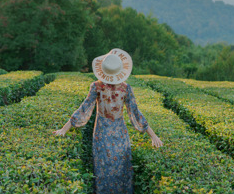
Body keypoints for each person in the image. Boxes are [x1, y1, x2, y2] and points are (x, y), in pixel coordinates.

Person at [53, 48, 163, 193]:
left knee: (119, 168)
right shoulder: (99, 87)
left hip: (115, 133)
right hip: (103, 133)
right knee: (104, 169)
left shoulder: (123, 88)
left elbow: (135, 112)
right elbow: (85, 107)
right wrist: (64, 128)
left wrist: (153, 135)